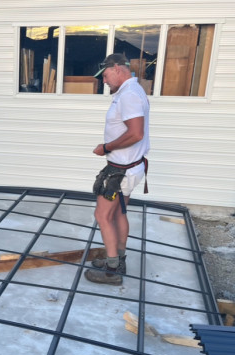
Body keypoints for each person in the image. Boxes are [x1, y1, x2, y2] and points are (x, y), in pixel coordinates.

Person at [84, 53, 150, 286]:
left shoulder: (129, 95)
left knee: (102, 215)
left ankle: (112, 269)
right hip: (129, 166)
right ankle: (118, 258)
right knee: (118, 213)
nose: (103, 81)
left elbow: (136, 133)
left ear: (118, 69)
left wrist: (106, 147)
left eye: (105, 75)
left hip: (121, 170)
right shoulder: (131, 91)